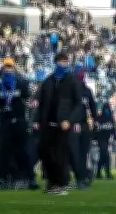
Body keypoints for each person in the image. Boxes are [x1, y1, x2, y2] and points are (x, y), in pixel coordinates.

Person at [34, 52, 82, 195]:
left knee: (60, 156)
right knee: (45, 153)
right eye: (60, 62)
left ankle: (61, 184)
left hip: (63, 124)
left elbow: (79, 105)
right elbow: (40, 102)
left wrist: (70, 120)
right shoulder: (48, 81)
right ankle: (51, 181)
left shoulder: (72, 81)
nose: (63, 65)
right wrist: (37, 120)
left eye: (65, 62)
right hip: (47, 124)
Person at [0, 58, 34, 190]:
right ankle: (3, 179)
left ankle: (29, 178)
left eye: (10, 68)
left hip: (19, 122)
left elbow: (30, 101)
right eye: (6, 68)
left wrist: (33, 117)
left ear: (15, 69)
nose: (8, 70)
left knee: (23, 151)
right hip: (5, 123)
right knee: (3, 153)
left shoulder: (21, 84)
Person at [69, 67, 96, 189]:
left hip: (84, 125)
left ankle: (83, 175)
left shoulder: (87, 91)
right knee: (75, 153)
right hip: (74, 124)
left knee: (83, 152)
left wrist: (94, 120)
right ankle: (81, 177)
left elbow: (93, 107)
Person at [93, 103, 116, 180]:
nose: (107, 110)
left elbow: (113, 130)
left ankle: (98, 173)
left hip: (107, 140)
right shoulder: (98, 118)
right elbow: (94, 130)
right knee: (106, 155)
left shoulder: (111, 118)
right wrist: (94, 139)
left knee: (103, 156)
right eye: (106, 109)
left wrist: (115, 139)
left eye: (108, 109)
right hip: (100, 139)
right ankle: (107, 173)